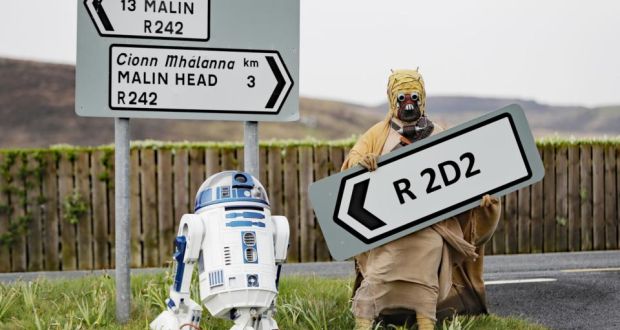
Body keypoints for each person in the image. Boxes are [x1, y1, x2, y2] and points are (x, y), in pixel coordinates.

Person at [342, 69, 501, 330]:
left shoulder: (437, 133)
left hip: (429, 228)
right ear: (392, 98)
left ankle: (425, 321)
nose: (408, 102)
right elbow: (352, 163)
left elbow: (458, 176)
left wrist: (480, 198)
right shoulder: (376, 134)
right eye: (402, 96)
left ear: (422, 98)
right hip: (387, 228)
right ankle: (368, 319)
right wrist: (362, 162)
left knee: (431, 255)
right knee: (380, 269)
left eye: (414, 96)